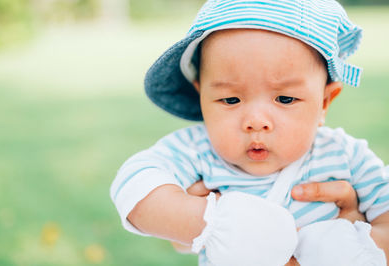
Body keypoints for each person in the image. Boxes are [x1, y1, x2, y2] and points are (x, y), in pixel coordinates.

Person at [110, 0, 389, 265]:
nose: (256, 122)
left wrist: (358, 251)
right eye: (230, 100)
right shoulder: (197, 150)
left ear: (324, 103)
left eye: (285, 99)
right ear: (201, 97)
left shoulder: (345, 155)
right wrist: (207, 222)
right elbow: (134, 183)